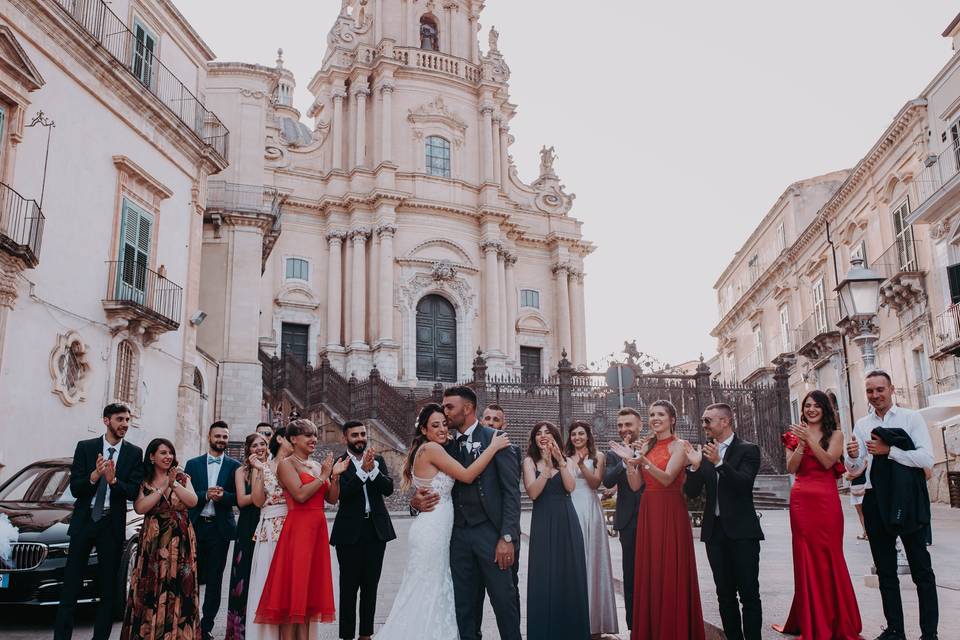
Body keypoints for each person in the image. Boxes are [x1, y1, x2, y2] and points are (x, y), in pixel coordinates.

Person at [375, 403, 511, 639]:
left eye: (444, 424)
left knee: (434, 584)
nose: (441, 429)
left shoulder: (437, 448)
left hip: (437, 524)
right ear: (424, 430)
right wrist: (492, 446)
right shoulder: (431, 450)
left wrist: (414, 503)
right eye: (434, 425)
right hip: (433, 528)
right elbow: (467, 476)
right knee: (429, 584)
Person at [410, 386, 522, 640]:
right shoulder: (442, 443)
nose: (444, 412)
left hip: (490, 535)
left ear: (468, 408)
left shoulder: (497, 439)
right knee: (464, 606)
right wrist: (415, 502)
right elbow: (425, 482)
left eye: (449, 407)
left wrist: (507, 537)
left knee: (504, 602)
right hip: (457, 537)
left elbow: (511, 495)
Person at [845, 370, 938, 640]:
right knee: (886, 570)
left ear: (891, 389)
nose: (875, 395)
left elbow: (926, 459)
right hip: (875, 500)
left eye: (880, 389)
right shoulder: (862, 424)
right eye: (870, 391)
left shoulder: (911, 418)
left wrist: (890, 452)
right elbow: (857, 468)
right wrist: (852, 458)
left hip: (906, 499)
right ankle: (895, 630)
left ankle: (929, 633)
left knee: (921, 568)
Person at [611, 400, 704, 640]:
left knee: (671, 569)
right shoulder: (647, 445)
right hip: (648, 511)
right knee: (650, 571)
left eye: (660, 414)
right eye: (652, 414)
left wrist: (642, 461)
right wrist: (630, 464)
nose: (655, 418)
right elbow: (635, 485)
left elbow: (666, 479)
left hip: (670, 510)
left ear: (672, 419)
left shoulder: (680, 446)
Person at [773, 390, 862, 639]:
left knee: (830, 554)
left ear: (825, 409)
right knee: (806, 557)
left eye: (816, 405)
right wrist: (800, 443)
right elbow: (791, 467)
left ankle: (835, 618)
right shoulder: (793, 436)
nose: (811, 409)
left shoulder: (836, 434)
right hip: (801, 500)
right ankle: (810, 617)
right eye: (807, 405)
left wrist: (809, 440)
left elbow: (827, 461)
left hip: (826, 500)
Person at [54, 403, 144, 640]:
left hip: (110, 525)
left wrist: (114, 482)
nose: (124, 424)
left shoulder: (134, 453)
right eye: (119, 419)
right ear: (106, 421)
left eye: (127, 420)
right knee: (70, 587)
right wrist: (94, 476)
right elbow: (75, 489)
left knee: (108, 590)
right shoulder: (86, 448)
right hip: (84, 522)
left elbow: (134, 491)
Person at [256, 419, 347, 639]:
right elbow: (300, 494)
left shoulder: (316, 465)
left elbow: (332, 499)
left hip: (317, 529)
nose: (313, 439)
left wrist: (335, 477)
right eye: (308, 435)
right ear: (293, 439)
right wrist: (324, 475)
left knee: (308, 592)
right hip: (298, 529)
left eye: (315, 435)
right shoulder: (286, 464)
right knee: (293, 592)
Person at [684, 402, 764, 640]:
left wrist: (719, 462)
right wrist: (695, 467)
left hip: (742, 532)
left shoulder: (748, 450)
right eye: (703, 421)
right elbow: (693, 492)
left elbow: (743, 484)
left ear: (725, 421)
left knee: (749, 593)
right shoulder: (707, 451)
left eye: (708, 420)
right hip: (715, 532)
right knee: (724, 595)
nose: (704, 425)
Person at [246, 427, 321, 640]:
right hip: (270, 529)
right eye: (292, 439)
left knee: (296, 587)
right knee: (270, 585)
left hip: (296, 526)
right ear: (282, 439)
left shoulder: (302, 466)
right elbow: (258, 501)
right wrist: (258, 470)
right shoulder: (264, 466)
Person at [121, 438, 200, 639]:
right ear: (152, 456)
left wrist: (173, 484)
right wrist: (163, 487)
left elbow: (193, 501)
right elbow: (141, 507)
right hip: (154, 543)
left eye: (170, 453)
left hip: (179, 542)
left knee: (180, 587)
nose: (168, 457)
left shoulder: (181, 477)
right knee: (152, 586)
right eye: (163, 453)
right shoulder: (144, 480)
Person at [330, 420, 397, 640]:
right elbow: (343, 495)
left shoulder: (377, 459)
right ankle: (347, 635)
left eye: (362, 434)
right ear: (345, 438)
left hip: (375, 531)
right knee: (348, 587)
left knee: (371, 586)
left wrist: (373, 471)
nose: (360, 438)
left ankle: (366, 634)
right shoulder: (339, 463)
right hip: (349, 533)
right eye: (355, 435)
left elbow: (388, 489)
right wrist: (362, 473)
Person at [524, 421, 590, 640]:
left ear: (555, 437)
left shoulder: (567, 461)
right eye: (539, 433)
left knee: (569, 574)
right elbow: (533, 493)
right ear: (534, 439)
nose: (543, 436)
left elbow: (570, 488)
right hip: (543, 521)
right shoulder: (529, 462)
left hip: (566, 520)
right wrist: (545, 465)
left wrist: (559, 462)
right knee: (545, 575)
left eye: (548, 432)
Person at [186, 421, 242, 640]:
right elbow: (187, 495)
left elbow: (238, 498)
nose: (221, 440)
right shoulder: (193, 464)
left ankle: (205, 625)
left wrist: (223, 497)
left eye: (225, 437)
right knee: (190, 578)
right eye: (218, 436)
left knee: (215, 580)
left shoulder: (235, 466)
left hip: (220, 530)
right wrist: (205, 495)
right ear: (209, 437)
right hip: (196, 526)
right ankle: (188, 620)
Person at [565, 420, 618, 639]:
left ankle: (595, 621)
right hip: (570, 508)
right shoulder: (565, 457)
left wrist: (581, 465)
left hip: (590, 507)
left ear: (588, 436)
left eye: (581, 434)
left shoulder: (599, 457)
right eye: (573, 434)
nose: (577, 437)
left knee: (592, 561)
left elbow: (596, 483)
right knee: (573, 562)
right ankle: (572, 617)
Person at [602, 407, 644, 633]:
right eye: (620, 425)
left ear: (639, 426)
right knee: (631, 575)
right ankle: (633, 625)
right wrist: (622, 459)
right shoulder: (612, 454)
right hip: (628, 521)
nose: (624, 430)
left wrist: (639, 456)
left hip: (652, 518)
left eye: (628, 425)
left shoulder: (650, 447)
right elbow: (607, 481)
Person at [226, 433, 270, 639]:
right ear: (248, 449)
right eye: (255, 445)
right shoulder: (241, 471)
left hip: (268, 524)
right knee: (243, 576)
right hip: (247, 526)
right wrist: (258, 474)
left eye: (263, 444)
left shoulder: (275, 467)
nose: (259, 448)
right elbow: (242, 500)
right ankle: (240, 630)